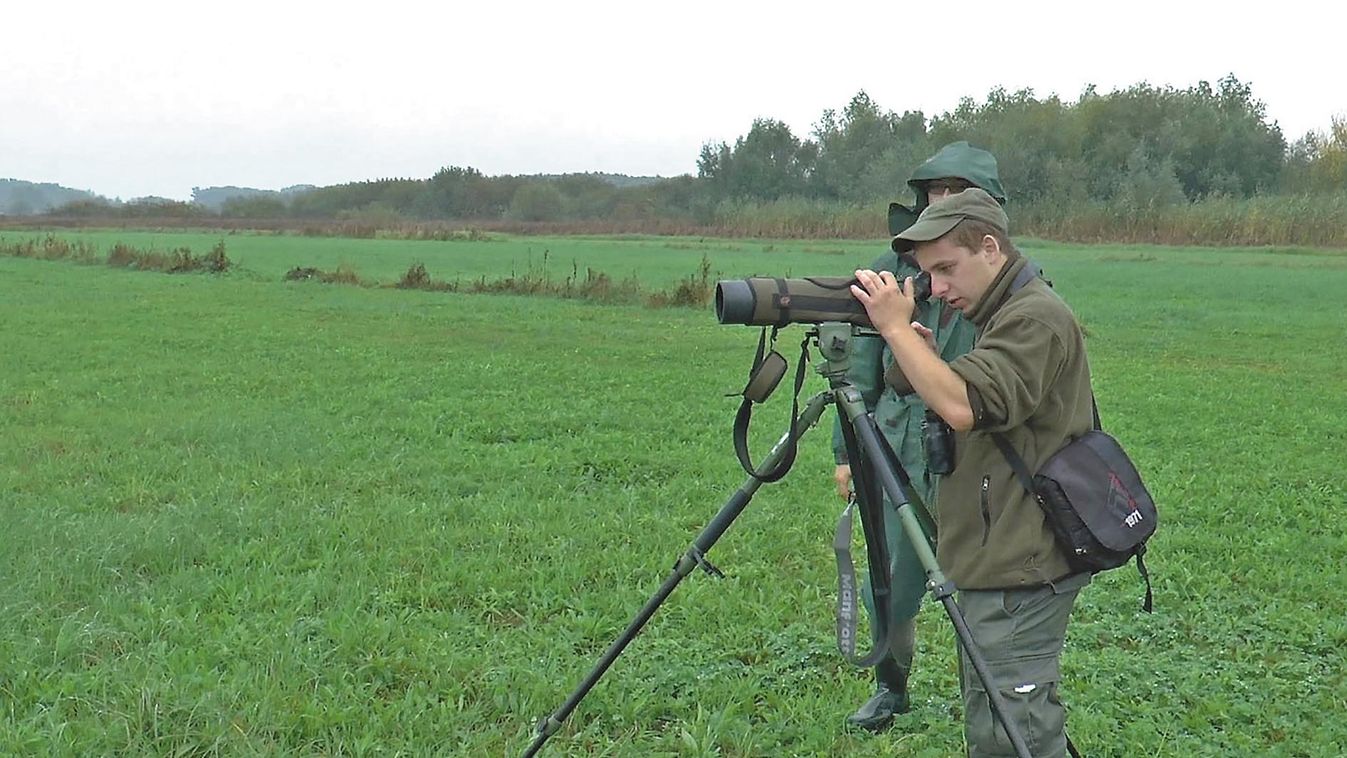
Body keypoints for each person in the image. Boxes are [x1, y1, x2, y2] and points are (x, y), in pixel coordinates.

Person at [849, 188, 1094, 757]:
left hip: (1021, 562)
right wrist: (919, 354)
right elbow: (978, 394)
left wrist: (892, 330)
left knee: (1013, 734)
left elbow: (962, 406)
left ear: (990, 248)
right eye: (928, 274)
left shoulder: (1034, 317)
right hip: (998, 554)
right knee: (999, 715)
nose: (935, 289)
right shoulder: (1003, 312)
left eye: (945, 269)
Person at [834, 141, 1006, 732]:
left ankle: (989, 697)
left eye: (958, 193)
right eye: (935, 192)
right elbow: (859, 363)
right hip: (897, 450)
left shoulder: (1005, 282)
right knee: (891, 580)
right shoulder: (894, 267)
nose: (943, 203)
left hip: (970, 459)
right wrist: (845, 455)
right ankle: (890, 687)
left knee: (979, 587)